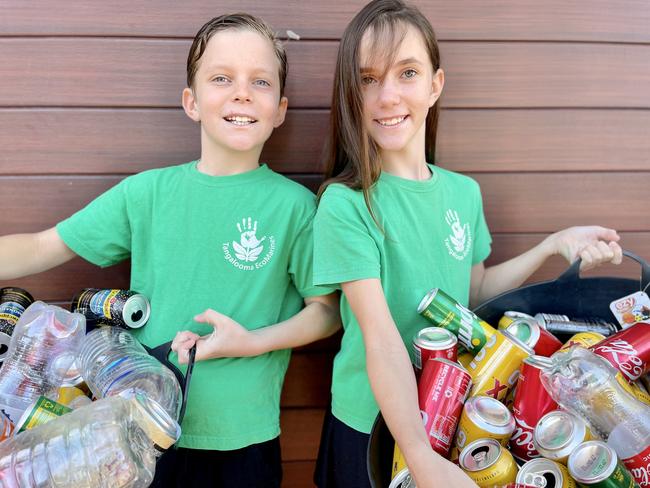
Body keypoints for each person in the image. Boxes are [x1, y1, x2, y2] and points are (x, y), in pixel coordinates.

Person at [0, 13, 340, 488]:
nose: (241, 92)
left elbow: (326, 311)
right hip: (138, 434)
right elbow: (41, 246)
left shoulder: (297, 208)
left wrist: (252, 341)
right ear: (192, 101)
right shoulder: (146, 194)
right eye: (221, 78)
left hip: (245, 443)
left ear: (280, 109)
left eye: (259, 81)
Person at [311, 1, 623, 487]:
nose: (387, 96)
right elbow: (381, 339)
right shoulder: (346, 204)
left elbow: (471, 296)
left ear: (435, 85)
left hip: (451, 418)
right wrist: (420, 458)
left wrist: (550, 246)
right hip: (376, 427)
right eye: (368, 79)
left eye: (407, 73)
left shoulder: (463, 192)